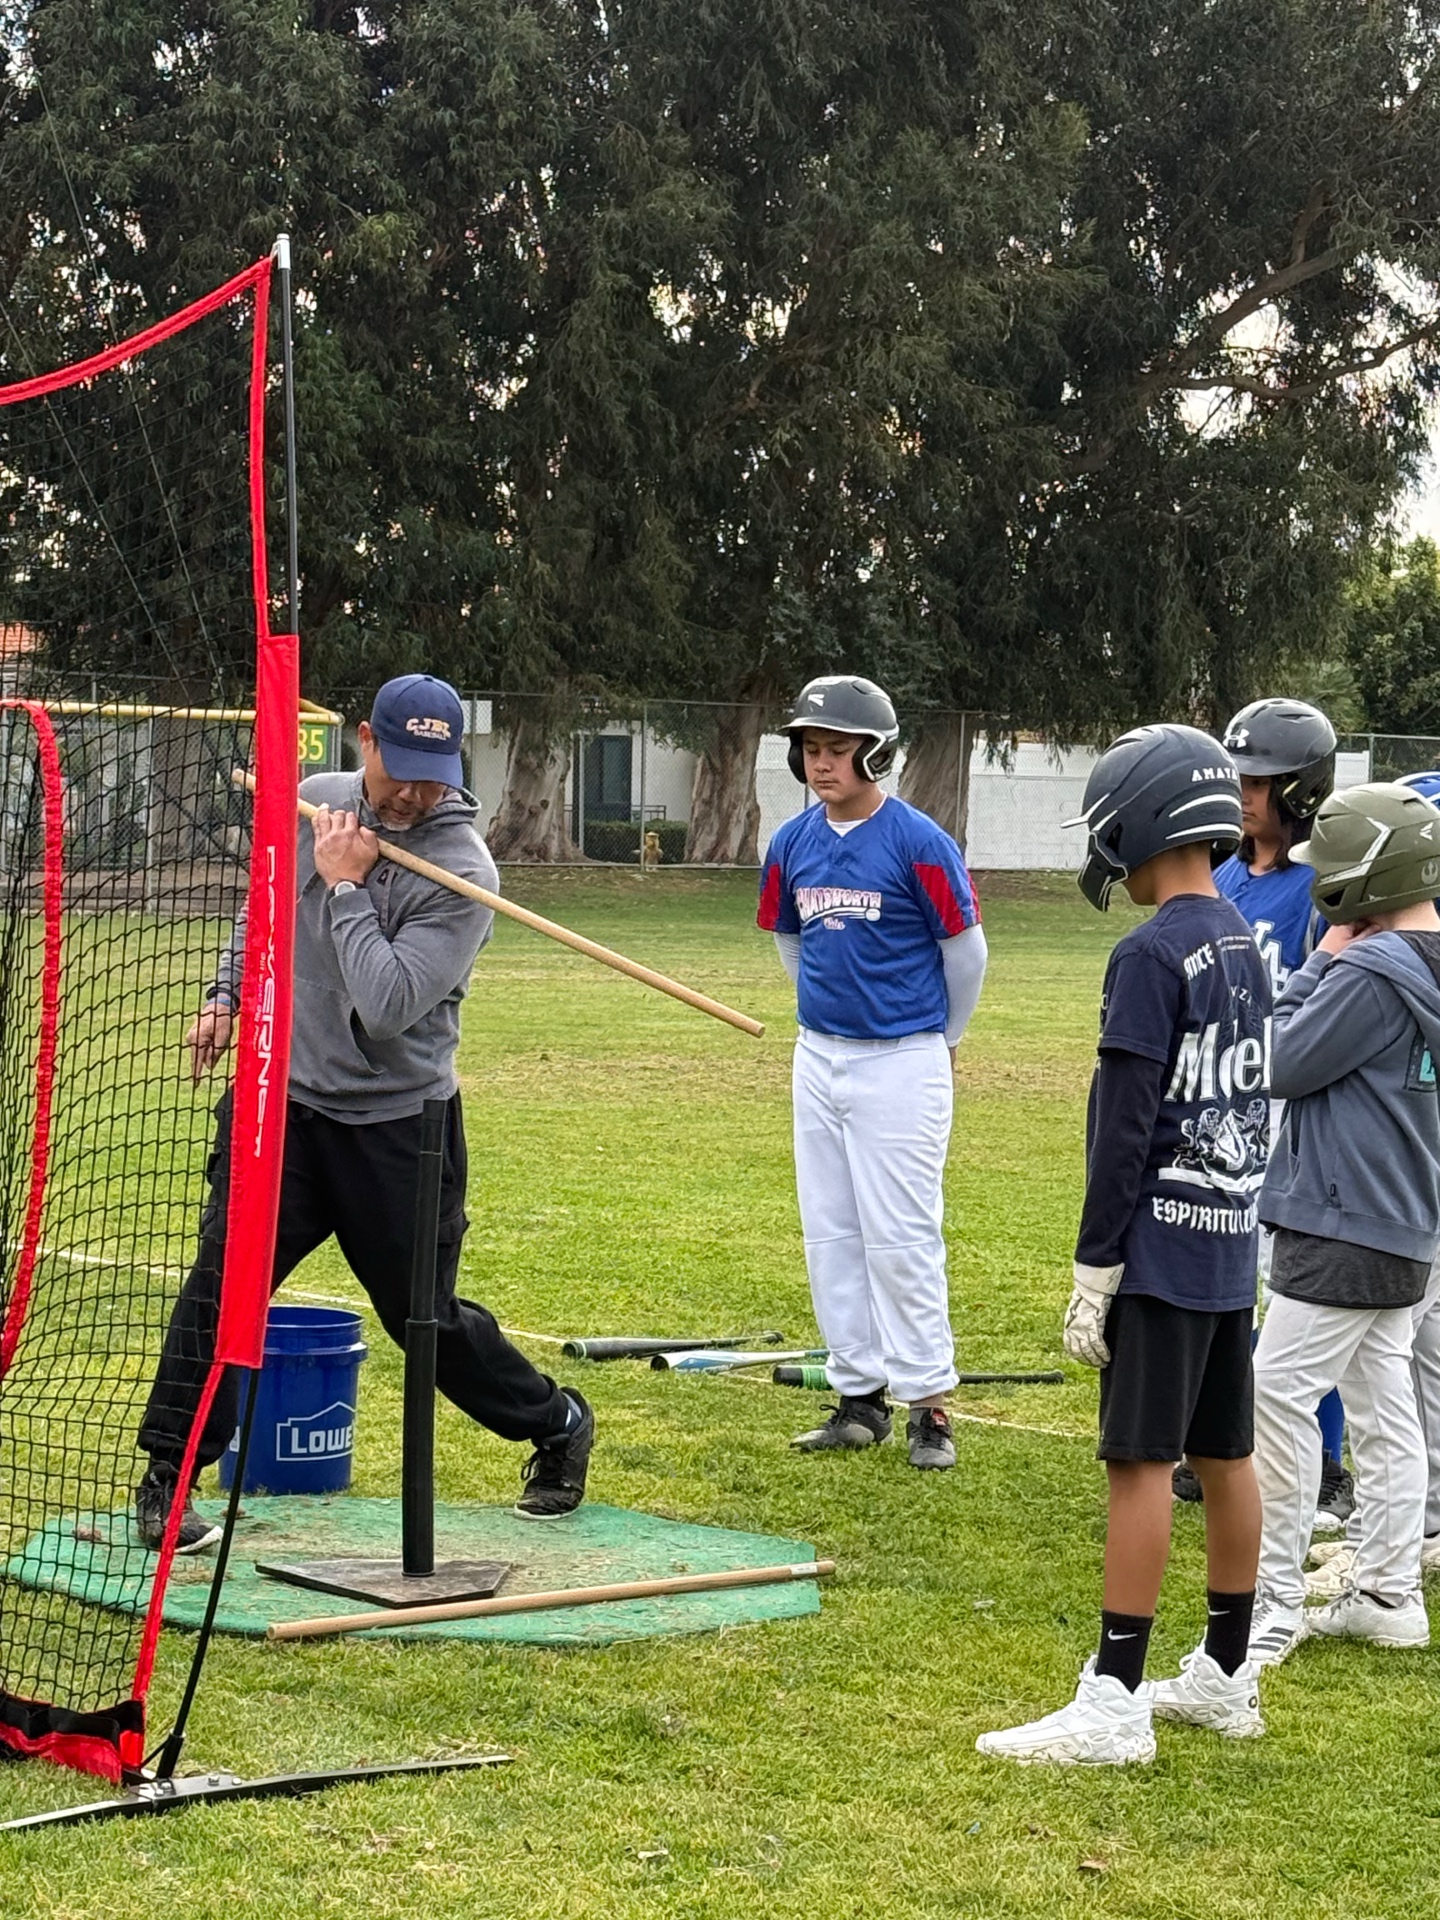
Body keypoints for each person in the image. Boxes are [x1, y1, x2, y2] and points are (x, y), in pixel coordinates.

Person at [135, 674, 594, 1551]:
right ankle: (167, 1476)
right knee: (224, 1285)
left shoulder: (463, 872)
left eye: (437, 772)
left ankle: (557, 1420)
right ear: (366, 742)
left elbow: (386, 1004)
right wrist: (227, 994)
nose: (417, 792)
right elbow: (268, 907)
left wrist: (347, 887)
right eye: (402, 769)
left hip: (397, 1127)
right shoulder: (318, 803)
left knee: (424, 1318)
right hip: (286, 1106)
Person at [979, 725, 1270, 1766]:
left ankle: (1115, 1696)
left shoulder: (1148, 954)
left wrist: (1095, 1268)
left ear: (1143, 819)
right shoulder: (1241, 937)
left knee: (1140, 1463)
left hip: (1158, 1250)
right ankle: (1229, 1674)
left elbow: (1127, 1123)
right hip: (1231, 1248)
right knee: (1226, 1456)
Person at [757, 675, 987, 1470]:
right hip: (819, 1055)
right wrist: (824, 1013)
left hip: (903, 1059)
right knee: (832, 1231)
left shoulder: (920, 841)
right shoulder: (791, 844)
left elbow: (966, 953)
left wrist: (943, 1039)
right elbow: (789, 938)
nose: (821, 764)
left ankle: (930, 1405)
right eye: (811, 750)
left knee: (901, 1236)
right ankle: (859, 1397)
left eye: (838, 750)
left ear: (877, 753)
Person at [1247, 782, 1440, 1664]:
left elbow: (1280, 1062)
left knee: (1275, 1394)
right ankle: (1390, 1593)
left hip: (1342, 1214)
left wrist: (1320, 960)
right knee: (1383, 1399)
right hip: (1405, 1216)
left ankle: (1272, 1603)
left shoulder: (1370, 971)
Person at [1170, 699, 1353, 1533]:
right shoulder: (1226, 877)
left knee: (1300, 1286)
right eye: (1237, 777)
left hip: (1295, 1108)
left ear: (1302, 789)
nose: (1243, 794)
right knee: (1228, 1275)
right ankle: (1225, 1440)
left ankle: (1320, 1461)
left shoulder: (1324, 886)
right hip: (1227, 1100)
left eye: (1260, 781)